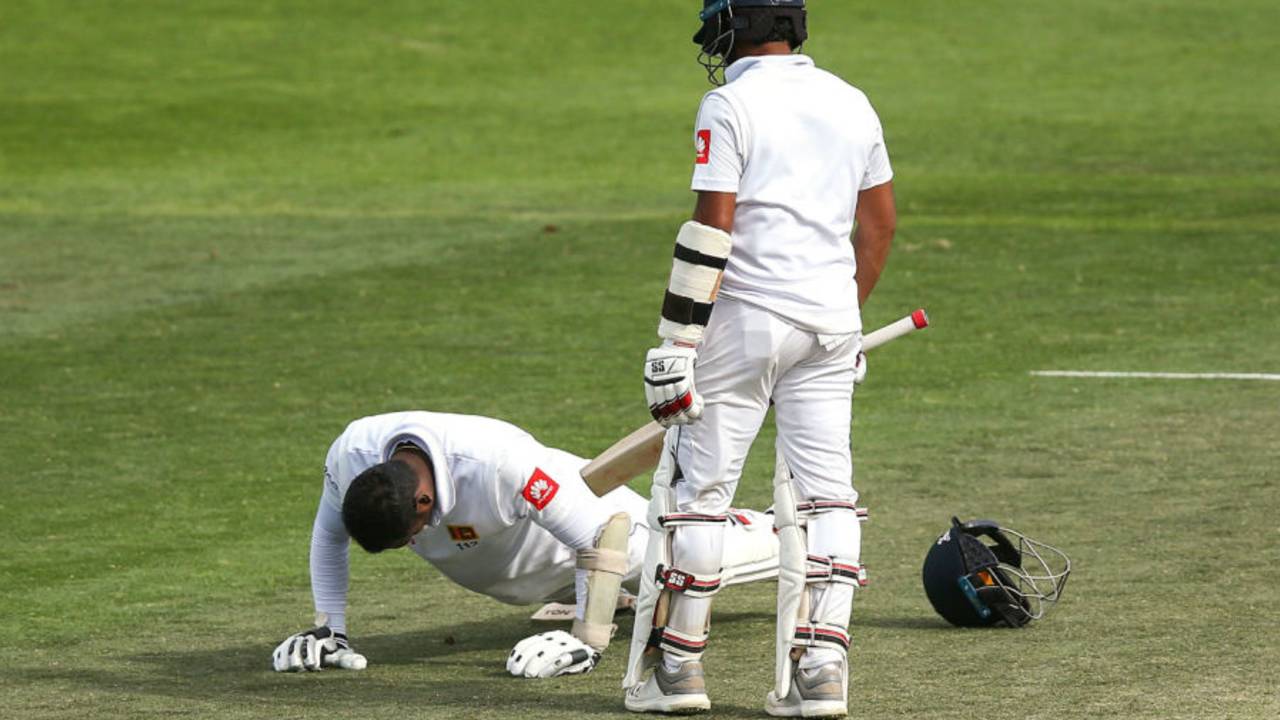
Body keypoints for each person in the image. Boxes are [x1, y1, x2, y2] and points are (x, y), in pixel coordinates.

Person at [629, 0, 896, 715]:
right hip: (831, 323)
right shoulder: (852, 100)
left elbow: (711, 225)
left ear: (735, 28)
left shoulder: (728, 102)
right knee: (828, 493)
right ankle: (823, 671)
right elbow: (879, 225)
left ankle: (679, 672)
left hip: (745, 320)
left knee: (702, 498)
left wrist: (677, 342)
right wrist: (846, 316)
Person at [270, 411, 778, 679]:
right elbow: (328, 536)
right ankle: (619, 602)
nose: (414, 544)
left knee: (689, 555)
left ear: (423, 499)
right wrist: (329, 629)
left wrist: (586, 639)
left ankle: (790, 530)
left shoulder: (498, 466)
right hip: (532, 578)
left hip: (592, 540)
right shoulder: (349, 457)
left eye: (411, 534)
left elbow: (603, 538)